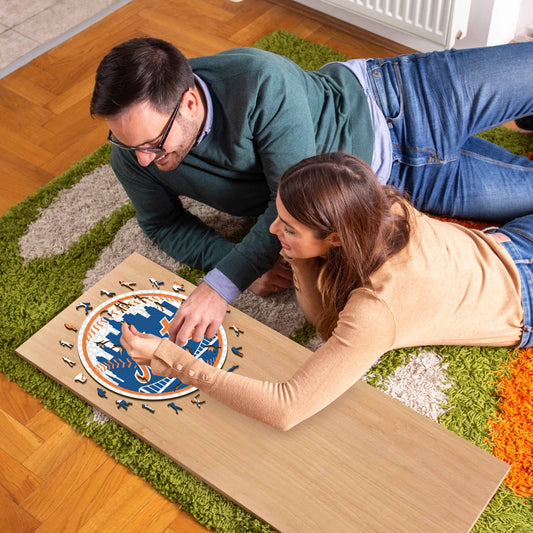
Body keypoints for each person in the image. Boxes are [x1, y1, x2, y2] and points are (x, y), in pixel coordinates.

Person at [91, 37, 533, 346]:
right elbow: (160, 221)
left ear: (188, 103)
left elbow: (288, 198)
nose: (142, 159)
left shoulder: (259, 79)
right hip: (392, 185)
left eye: (152, 143)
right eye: (126, 143)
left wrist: (222, 283)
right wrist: (222, 257)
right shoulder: (131, 156)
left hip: (404, 99)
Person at [120, 152, 532, 430]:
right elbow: (323, 316)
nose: (271, 230)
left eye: (289, 227)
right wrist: (297, 251)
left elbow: (286, 407)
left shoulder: (377, 309)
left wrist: (169, 357)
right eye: (278, 217)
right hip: (509, 239)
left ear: (336, 238)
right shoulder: (374, 201)